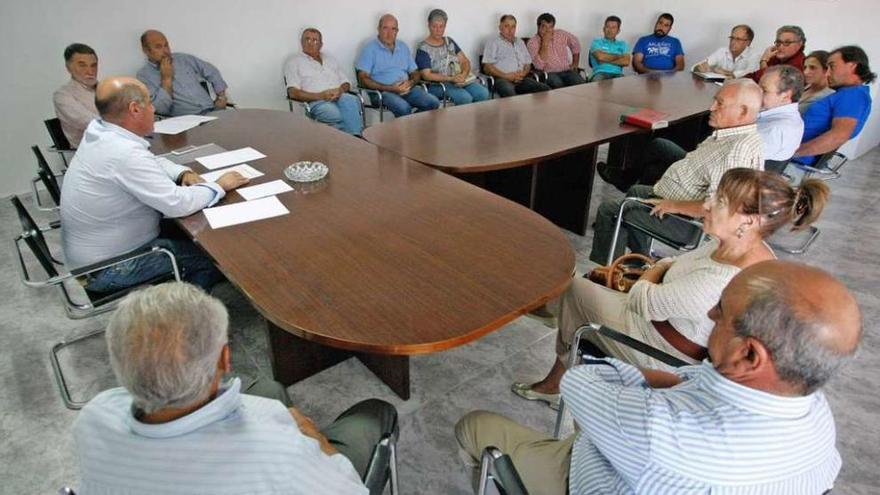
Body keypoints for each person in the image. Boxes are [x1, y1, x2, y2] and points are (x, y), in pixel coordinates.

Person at [457, 259, 860, 495]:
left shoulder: (657, 430)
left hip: (583, 476)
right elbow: (689, 379)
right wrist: (681, 385)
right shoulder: (817, 419)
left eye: (723, 312)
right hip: (639, 459)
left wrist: (653, 385)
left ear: (749, 354)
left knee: (473, 427)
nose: (710, 316)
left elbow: (578, 382)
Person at [512, 168, 828, 409]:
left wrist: (656, 271)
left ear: (749, 221)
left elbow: (644, 302)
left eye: (719, 201)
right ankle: (554, 324)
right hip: (666, 325)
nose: (706, 204)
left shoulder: (721, 279)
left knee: (577, 291)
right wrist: (660, 270)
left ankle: (555, 380)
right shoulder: (741, 247)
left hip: (663, 351)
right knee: (580, 291)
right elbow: (679, 262)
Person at [75, 282, 398, 494]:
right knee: (375, 413)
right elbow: (350, 489)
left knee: (269, 388)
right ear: (225, 358)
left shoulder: (93, 416)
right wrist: (315, 441)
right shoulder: (279, 456)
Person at [59, 77, 249, 293]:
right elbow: (177, 204)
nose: (154, 107)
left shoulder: (102, 131)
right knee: (218, 261)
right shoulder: (122, 153)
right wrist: (219, 185)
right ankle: (183, 317)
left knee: (204, 234)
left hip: (96, 255)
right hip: (112, 266)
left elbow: (149, 160)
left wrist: (182, 172)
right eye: (149, 102)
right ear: (135, 110)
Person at [592, 79, 764, 264]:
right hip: (678, 202)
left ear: (743, 111)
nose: (712, 107)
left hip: (684, 223)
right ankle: (640, 262)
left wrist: (673, 205)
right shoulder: (732, 135)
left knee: (609, 211)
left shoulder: (737, 150)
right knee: (636, 192)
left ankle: (605, 276)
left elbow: (720, 208)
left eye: (720, 103)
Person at [792, 45, 874, 166]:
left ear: (852, 65)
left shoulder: (853, 94)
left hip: (794, 161)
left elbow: (839, 136)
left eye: (832, 66)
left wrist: (793, 153)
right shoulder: (849, 93)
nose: (827, 73)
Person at [356, 14, 440, 117]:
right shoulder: (369, 49)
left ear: (397, 31)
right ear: (378, 29)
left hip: (406, 89)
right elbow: (363, 79)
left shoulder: (403, 47)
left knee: (433, 103)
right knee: (404, 108)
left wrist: (411, 82)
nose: (389, 33)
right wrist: (391, 88)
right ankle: (407, 129)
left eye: (393, 29)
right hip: (382, 93)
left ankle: (411, 127)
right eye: (385, 28)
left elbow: (415, 72)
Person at [285, 28, 363, 135]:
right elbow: (292, 92)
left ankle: (353, 137)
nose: (311, 43)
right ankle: (354, 139)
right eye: (307, 39)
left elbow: (346, 83)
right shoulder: (294, 62)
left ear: (321, 44)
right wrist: (321, 95)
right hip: (317, 101)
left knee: (351, 101)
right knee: (337, 114)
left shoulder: (330, 59)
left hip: (339, 96)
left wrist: (340, 90)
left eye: (315, 40)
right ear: (301, 42)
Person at [137, 30, 229, 117]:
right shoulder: (143, 76)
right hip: (186, 121)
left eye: (166, 45)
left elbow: (211, 71)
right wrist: (166, 79)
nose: (166, 51)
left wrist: (221, 97)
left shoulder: (183, 59)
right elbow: (161, 109)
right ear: (146, 50)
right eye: (158, 47)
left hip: (212, 112)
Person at [416, 9, 489, 106]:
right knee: (464, 98)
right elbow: (427, 75)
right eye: (434, 26)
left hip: (458, 80)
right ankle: (460, 120)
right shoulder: (423, 48)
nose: (438, 30)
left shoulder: (449, 41)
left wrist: (463, 74)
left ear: (445, 26)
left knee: (482, 93)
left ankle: (475, 119)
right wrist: (451, 79)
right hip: (438, 85)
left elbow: (464, 61)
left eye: (441, 26)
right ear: (428, 25)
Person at [481, 14, 551, 97]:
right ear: (500, 27)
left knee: (545, 89)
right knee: (510, 92)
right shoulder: (493, 42)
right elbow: (487, 67)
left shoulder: (520, 42)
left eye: (513, 27)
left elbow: (527, 63)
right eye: (507, 26)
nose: (510, 30)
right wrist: (506, 76)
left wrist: (523, 73)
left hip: (522, 79)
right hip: (502, 79)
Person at [53, 43, 99, 148]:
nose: (90, 71)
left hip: (113, 147)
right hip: (88, 153)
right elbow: (91, 123)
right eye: (82, 65)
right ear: (68, 67)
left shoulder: (106, 89)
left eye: (93, 65)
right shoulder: (63, 96)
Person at [757, 65, 805, 165]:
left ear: (785, 96)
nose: (757, 93)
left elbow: (734, 155)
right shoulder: (789, 115)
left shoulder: (775, 130)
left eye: (764, 90)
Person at [526, 13, 585, 88]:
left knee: (580, 83)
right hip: (549, 73)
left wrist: (575, 63)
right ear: (538, 27)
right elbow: (539, 66)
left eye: (550, 27)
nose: (547, 31)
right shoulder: (532, 42)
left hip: (567, 70)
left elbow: (575, 42)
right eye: (544, 27)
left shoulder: (560, 34)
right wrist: (544, 43)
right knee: (558, 85)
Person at [693, 25, 760, 79]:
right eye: (732, 38)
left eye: (738, 39)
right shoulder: (722, 51)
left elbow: (751, 72)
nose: (733, 42)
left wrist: (729, 73)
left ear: (748, 42)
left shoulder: (754, 55)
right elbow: (697, 66)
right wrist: (699, 68)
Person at [588, 15, 630, 81]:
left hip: (618, 74)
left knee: (625, 86)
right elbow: (600, 57)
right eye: (607, 27)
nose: (610, 30)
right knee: (598, 85)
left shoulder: (623, 44)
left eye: (613, 28)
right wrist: (619, 57)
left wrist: (605, 59)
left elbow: (626, 61)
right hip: (600, 73)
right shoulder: (596, 42)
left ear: (618, 31)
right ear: (603, 29)